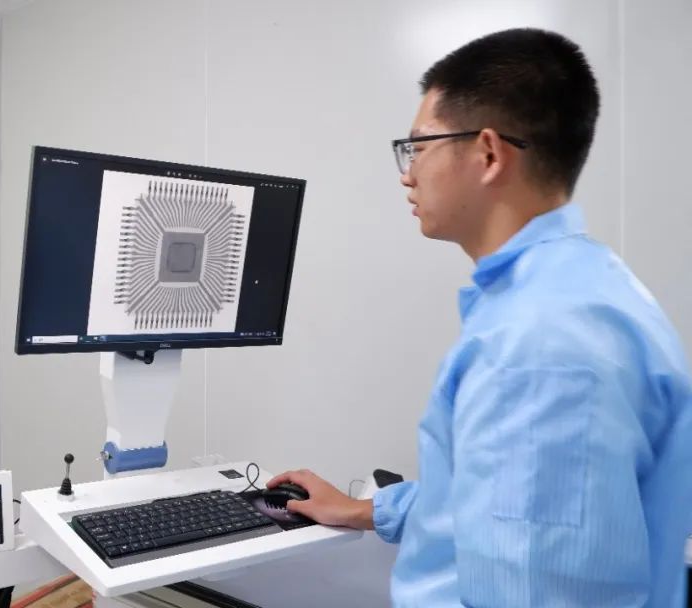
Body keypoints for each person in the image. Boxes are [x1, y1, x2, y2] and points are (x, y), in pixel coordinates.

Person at [268, 28, 692, 606]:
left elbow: (535, 584)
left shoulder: (540, 342)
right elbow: (494, 506)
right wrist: (362, 510)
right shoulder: (577, 290)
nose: (408, 173)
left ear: (488, 154)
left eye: (419, 147)